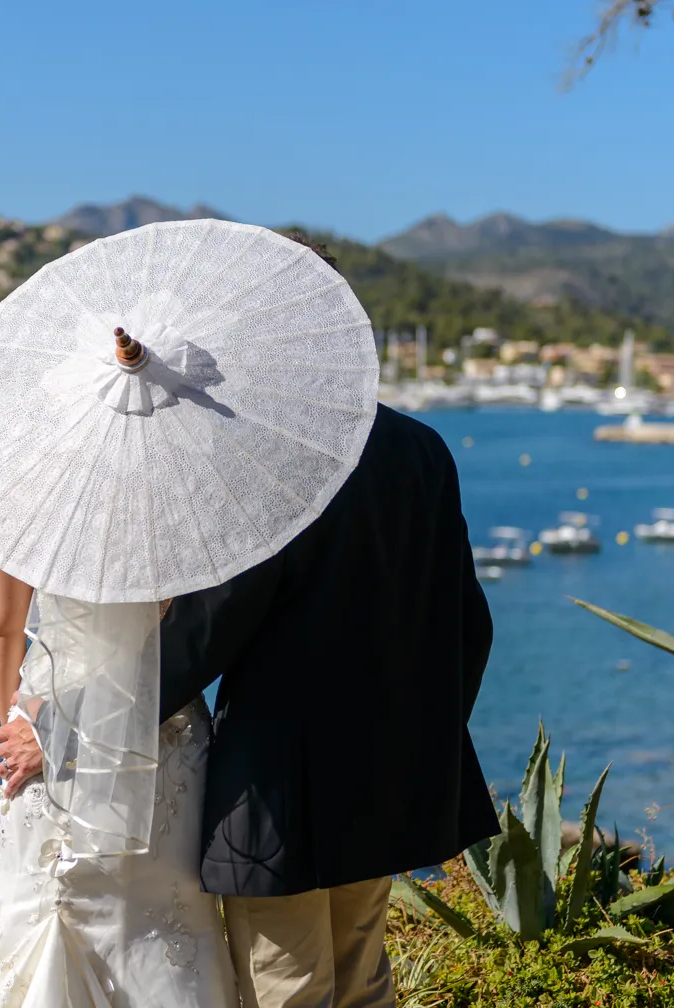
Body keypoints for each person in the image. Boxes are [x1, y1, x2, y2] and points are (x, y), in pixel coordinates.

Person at [155, 238, 498, 1007]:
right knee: (364, 983)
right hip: (389, 775)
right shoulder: (422, 448)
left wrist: (95, 715)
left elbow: (216, 621)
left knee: (289, 988)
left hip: (280, 789)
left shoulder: (278, 453)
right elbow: (469, 624)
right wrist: (421, 736)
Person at [0, 563, 240, 1007]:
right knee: (162, 919)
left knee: (41, 910)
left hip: (46, 716)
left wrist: (24, 736)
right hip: (161, 732)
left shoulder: (22, 496)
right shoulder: (179, 497)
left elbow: (2, 630)